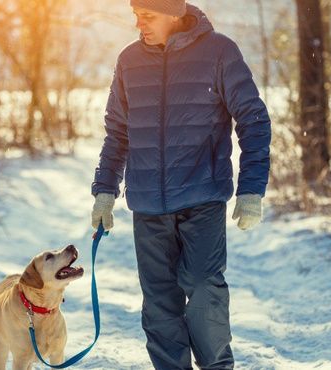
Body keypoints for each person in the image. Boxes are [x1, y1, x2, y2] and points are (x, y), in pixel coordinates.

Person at [90, 1, 271, 369]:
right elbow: (117, 134)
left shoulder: (220, 52)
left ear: (174, 12)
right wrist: (105, 191)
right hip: (148, 207)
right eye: (135, 15)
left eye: (148, 15)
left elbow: (252, 119)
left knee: (204, 287)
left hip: (201, 199)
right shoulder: (129, 61)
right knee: (159, 304)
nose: (139, 24)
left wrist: (251, 188)